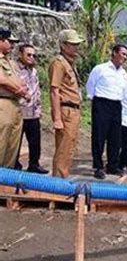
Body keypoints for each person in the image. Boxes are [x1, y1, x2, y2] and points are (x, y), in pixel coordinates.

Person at [86, 44, 127, 179]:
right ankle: (98, 166)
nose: (125, 57)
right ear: (115, 53)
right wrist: (94, 101)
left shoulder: (123, 73)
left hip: (117, 105)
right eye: (123, 54)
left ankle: (112, 165)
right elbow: (90, 85)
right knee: (99, 136)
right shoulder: (100, 69)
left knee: (115, 137)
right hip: (102, 103)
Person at [48, 29, 84, 178]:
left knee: (69, 148)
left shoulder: (69, 63)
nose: (76, 47)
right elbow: (54, 91)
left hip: (73, 110)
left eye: (76, 44)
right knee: (64, 148)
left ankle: (62, 179)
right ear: (63, 45)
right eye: (72, 44)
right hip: (66, 110)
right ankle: (59, 184)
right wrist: (57, 118)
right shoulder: (59, 63)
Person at [14, 44, 48, 174]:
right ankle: (14, 164)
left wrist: (39, 109)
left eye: (33, 55)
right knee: (15, 142)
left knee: (35, 142)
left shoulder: (33, 71)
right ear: (20, 55)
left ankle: (34, 164)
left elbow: (37, 91)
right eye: (28, 55)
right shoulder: (14, 69)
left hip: (33, 113)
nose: (31, 57)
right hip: (19, 111)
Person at [0, 29, 29, 168]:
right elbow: (2, 80)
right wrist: (20, 90)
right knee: (2, 141)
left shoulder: (9, 61)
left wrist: (21, 88)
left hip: (14, 103)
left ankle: (6, 179)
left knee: (12, 145)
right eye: (9, 41)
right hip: (3, 103)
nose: (12, 45)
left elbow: (16, 79)